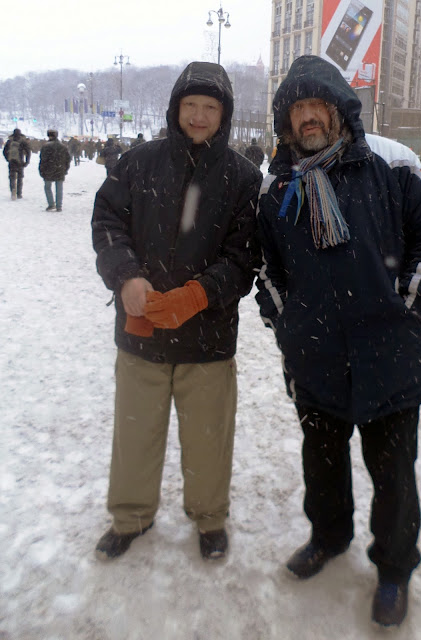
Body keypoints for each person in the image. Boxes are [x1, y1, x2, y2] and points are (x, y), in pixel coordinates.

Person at [255, 55, 421, 628]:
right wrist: (286, 322)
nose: (309, 117)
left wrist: (411, 306)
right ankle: (328, 535)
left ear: (339, 109)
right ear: (286, 120)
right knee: (321, 464)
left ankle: (394, 567)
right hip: (315, 356)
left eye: (318, 105)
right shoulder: (277, 187)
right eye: (298, 109)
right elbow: (266, 265)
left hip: (389, 355)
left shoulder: (390, 162)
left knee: (393, 474)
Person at [91, 61, 262, 562]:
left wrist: (200, 294)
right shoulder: (136, 163)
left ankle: (209, 518)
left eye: (210, 107)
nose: (199, 116)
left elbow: (245, 256)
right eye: (191, 105)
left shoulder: (242, 177)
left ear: (224, 114)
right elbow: (107, 222)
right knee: (134, 433)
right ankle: (130, 516)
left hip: (207, 337)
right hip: (140, 330)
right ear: (175, 107)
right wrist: (125, 275)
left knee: (208, 439)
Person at [38, 129, 71, 212]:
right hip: (60, 169)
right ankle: (59, 206)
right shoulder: (63, 146)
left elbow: (42, 160)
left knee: (47, 187)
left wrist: (41, 170)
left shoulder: (46, 146)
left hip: (48, 170)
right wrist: (65, 169)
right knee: (59, 188)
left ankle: (51, 204)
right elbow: (68, 159)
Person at [3, 128, 31, 200]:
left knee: (12, 177)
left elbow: (4, 151)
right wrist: (27, 161)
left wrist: (8, 159)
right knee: (20, 178)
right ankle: (19, 193)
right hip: (20, 162)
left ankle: (13, 190)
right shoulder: (23, 142)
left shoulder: (10, 141)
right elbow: (28, 152)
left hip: (12, 161)